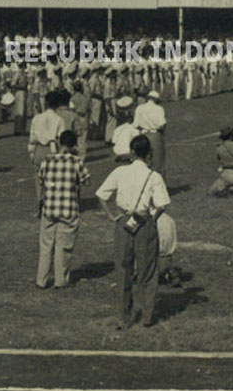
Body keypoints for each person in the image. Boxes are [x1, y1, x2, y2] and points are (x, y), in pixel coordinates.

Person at [96, 134, 170, 329]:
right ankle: (147, 316)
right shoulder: (153, 176)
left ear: (132, 152)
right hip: (145, 221)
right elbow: (162, 204)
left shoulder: (120, 172)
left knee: (123, 269)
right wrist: (151, 218)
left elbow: (102, 196)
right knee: (147, 269)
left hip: (123, 222)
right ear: (149, 154)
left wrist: (112, 216)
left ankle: (124, 316)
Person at [35, 130, 90, 290]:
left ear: (59, 142)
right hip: (68, 209)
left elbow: (40, 180)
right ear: (74, 145)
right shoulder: (76, 161)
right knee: (63, 247)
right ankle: (60, 280)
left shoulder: (47, 160)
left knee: (46, 246)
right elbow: (87, 182)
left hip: (50, 208)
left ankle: (41, 279)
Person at [132, 90, 167, 179]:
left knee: (143, 163)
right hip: (155, 135)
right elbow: (162, 124)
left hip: (143, 135)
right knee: (157, 163)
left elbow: (135, 125)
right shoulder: (159, 109)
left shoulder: (139, 108)